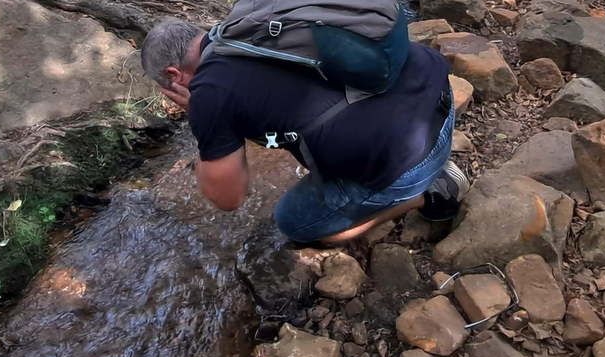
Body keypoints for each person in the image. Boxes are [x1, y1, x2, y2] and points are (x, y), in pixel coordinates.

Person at [140, 17, 468, 244]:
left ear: (174, 75)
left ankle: (431, 193)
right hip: (440, 99)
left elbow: (229, 198)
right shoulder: (244, 24)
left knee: (295, 223)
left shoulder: (210, 94)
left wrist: (201, 117)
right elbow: (278, 125)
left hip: (414, 159)